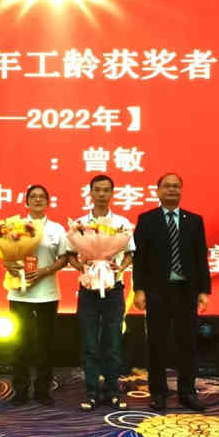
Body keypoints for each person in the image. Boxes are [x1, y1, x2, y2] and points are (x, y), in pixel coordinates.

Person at [132, 173, 211, 412]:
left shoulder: (194, 220)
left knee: (187, 343)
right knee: (157, 343)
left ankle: (187, 392)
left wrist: (204, 291)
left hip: (186, 291)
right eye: (167, 186)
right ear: (158, 191)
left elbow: (201, 257)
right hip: (157, 291)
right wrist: (139, 289)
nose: (172, 190)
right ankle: (158, 393)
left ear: (181, 191)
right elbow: (139, 259)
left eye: (176, 186)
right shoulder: (147, 220)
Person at [69, 175, 135, 411]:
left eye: (106, 190)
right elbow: (69, 254)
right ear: (90, 192)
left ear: (112, 193)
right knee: (90, 343)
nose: (101, 194)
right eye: (97, 190)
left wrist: (120, 268)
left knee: (113, 343)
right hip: (88, 291)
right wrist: (84, 268)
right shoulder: (79, 224)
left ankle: (113, 391)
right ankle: (91, 392)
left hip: (113, 289)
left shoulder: (121, 223)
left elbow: (131, 253)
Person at [4, 185, 68, 406]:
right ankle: (20, 390)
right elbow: (5, 256)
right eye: (33, 196)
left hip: (47, 293)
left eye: (42, 197)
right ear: (26, 201)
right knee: (20, 344)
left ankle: (42, 390)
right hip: (20, 293)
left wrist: (45, 271)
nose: (38, 200)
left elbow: (64, 258)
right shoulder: (15, 227)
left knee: (45, 345)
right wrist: (9, 265)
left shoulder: (57, 229)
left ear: (48, 202)